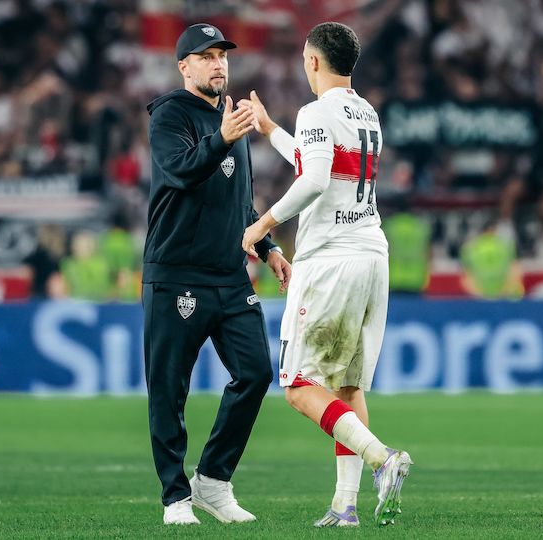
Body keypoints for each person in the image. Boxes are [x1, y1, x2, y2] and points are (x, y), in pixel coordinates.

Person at [241, 22, 412, 528]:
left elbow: (313, 179)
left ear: (312, 61)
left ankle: (382, 458)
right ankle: (345, 506)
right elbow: (319, 162)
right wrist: (271, 129)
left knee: (298, 385)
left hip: (330, 258)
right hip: (371, 255)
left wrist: (262, 224)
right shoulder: (367, 113)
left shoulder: (316, 111)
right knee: (347, 384)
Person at [143, 23, 292, 526]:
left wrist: (268, 247)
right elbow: (180, 169)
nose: (218, 64)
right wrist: (223, 137)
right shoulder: (169, 114)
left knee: (255, 373)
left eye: (222, 55)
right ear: (183, 66)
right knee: (170, 389)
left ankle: (212, 481)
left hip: (229, 275)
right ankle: (174, 498)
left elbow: (239, 203)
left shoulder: (233, 119)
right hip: (176, 273)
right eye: (205, 56)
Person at [460, 219, 524, 299]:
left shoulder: (469, 248)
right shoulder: (507, 246)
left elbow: (465, 274)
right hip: (502, 293)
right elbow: (516, 268)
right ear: (495, 230)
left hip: (480, 295)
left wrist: (478, 293)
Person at [60, 230, 111, 302]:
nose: (78, 247)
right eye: (76, 244)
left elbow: (108, 285)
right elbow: (63, 286)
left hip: (100, 302)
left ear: (91, 246)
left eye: (83, 245)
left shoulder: (101, 264)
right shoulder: (68, 264)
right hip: (75, 302)